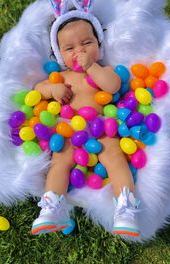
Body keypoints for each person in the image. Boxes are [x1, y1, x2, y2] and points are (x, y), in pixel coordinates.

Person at [31, 17, 141, 237]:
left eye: (87, 43)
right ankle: (53, 207)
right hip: (69, 130)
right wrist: (53, 90)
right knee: (59, 162)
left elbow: (112, 86)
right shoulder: (61, 77)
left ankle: (126, 209)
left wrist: (91, 66)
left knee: (114, 157)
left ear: (99, 45)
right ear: (59, 55)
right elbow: (37, 89)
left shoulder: (103, 70)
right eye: (69, 48)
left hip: (101, 128)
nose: (78, 51)